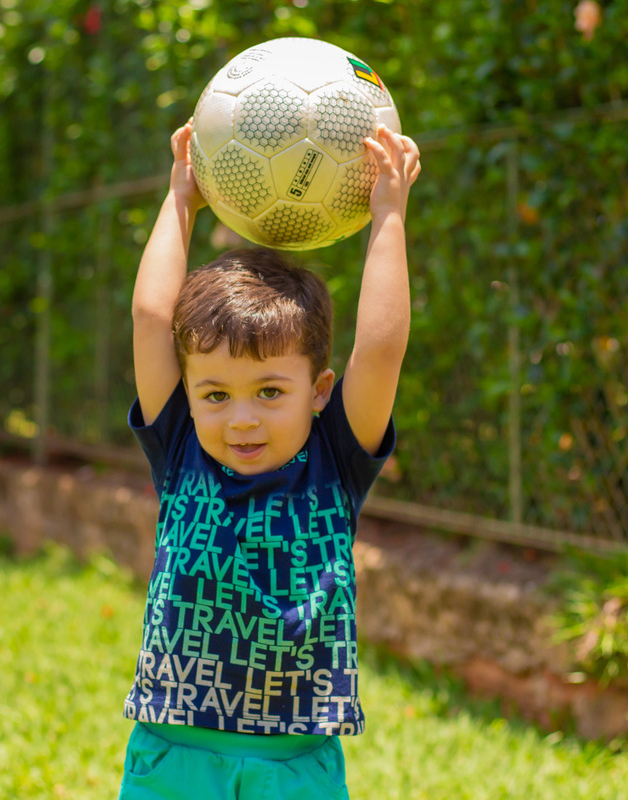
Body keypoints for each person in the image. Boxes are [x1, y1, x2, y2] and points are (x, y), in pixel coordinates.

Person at [119, 119, 421, 800]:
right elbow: (148, 317)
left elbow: (379, 350)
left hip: (295, 764)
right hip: (173, 755)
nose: (242, 417)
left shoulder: (335, 464)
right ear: (190, 393)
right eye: (216, 393)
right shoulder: (181, 451)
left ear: (319, 392)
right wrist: (181, 199)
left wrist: (389, 219)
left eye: (270, 392)